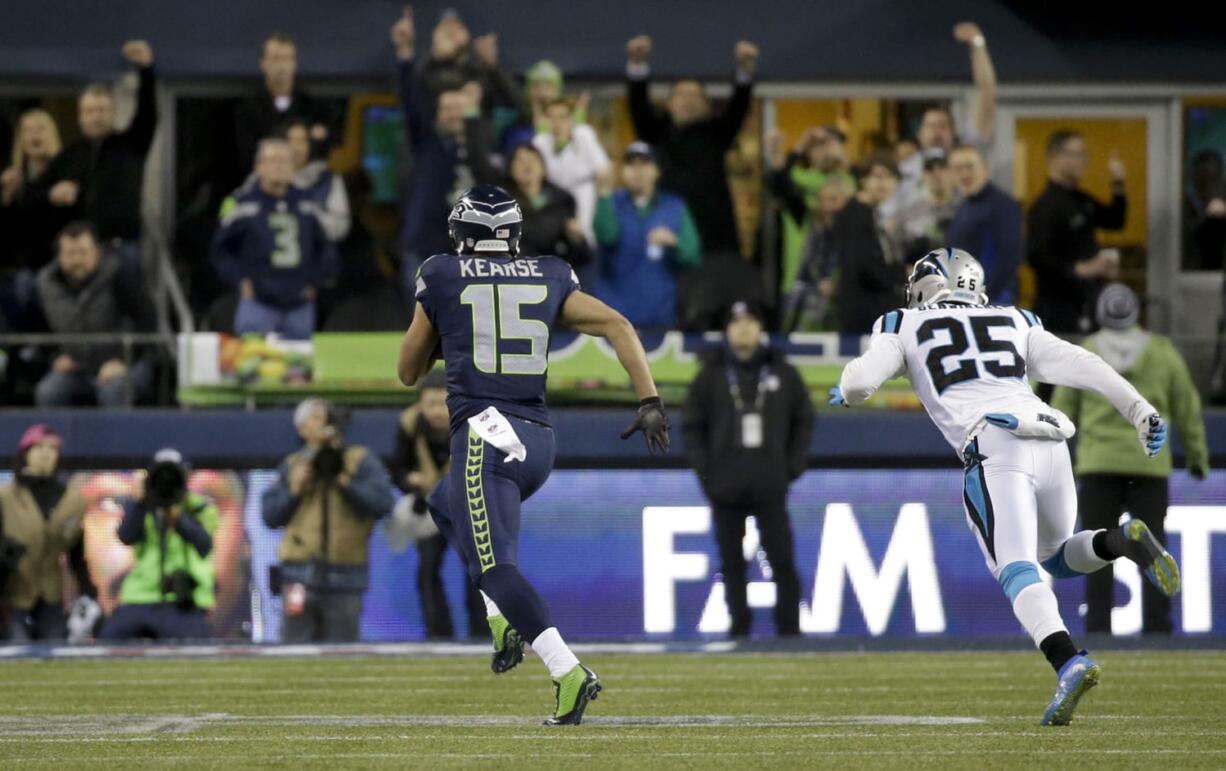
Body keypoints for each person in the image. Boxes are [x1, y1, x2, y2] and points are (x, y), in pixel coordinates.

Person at [830, 247, 1176, 726]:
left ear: (925, 286)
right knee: (1054, 557)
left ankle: (1068, 660)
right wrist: (1139, 410)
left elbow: (860, 383)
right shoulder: (1015, 317)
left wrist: (847, 388)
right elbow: (1082, 364)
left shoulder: (902, 322)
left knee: (1016, 569)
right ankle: (1122, 539)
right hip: (1051, 434)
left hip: (993, 440)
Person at [397, 185, 669, 725]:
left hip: (484, 433)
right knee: (445, 502)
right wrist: (650, 400)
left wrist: (442, 328)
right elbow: (618, 324)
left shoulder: (442, 273)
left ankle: (567, 670)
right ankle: (501, 616)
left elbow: (408, 372)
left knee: (497, 568)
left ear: (461, 234)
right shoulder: (549, 271)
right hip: (537, 439)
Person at [1052, 284, 1209, 635]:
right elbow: (1187, 409)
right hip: (1147, 465)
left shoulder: (1086, 351)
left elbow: (1061, 412)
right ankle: (1158, 627)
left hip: (1098, 464)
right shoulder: (1163, 352)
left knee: (1096, 553)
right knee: (1153, 550)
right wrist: (1198, 457)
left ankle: (1097, 628)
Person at [682, 301, 813, 637]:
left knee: (781, 560)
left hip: (770, 482)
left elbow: (804, 419)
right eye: (737, 322)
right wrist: (706, 472)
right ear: (726, 330)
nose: (744, 328)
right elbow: (692, 426)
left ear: (760, 329)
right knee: (732, 564)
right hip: (725, 485)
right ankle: (739, 629)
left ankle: (790, 631)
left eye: (751, 321)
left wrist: (792, 466)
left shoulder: (783, 371)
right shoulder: (710, 374)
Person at [261, 398, 393, 643]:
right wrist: (293, 489)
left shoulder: (359, 460)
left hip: (346, 575)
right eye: (316, 418)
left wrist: (344, 482)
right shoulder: (293, 465)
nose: (324, 424)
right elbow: (269, 516)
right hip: (299, 574)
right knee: (293, 652)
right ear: (301, 430)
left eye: (327, 418)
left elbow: (383, 504)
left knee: (342, 656)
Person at [625, 34, 757, 254]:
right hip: (667, 229)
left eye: (695, 96)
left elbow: (739, 107)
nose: (687, 100)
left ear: (707, 105)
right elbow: (638, 106)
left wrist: (745, 69)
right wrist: (638, 65)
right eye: (681, 95)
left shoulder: (717, 134)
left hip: (712, 235)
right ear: (668, 103)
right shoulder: (656, 133)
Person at [391, 7, 489, 299]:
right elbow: (411, 101)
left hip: (472, 252)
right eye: (445, 109)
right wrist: (406, 55)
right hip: (425, 249)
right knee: (421, 326)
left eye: (458, 109)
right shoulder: (428, 143)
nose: (451, 115)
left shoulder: (480, 149)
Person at [43, 41, 157, 264]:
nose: (95, 116)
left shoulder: (132, 144)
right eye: (89, 111)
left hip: (122, 249)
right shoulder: (70, 154)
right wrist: (52, 194)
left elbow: (148, 114)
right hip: (80, 253)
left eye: (102, 110)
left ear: (112, 113)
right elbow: (37, 191)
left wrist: (146, 70)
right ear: (80, 116)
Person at [392, 369, 486, 639]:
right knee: (427, 570)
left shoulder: (475, 423)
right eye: (429, 404)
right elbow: (397, 468)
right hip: (430, 509)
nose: (436, 411)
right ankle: (437, 634)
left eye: (442, 404)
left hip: (468, 510)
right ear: (420, 404)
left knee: (477, 574)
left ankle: (481, 634)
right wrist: (410, 480)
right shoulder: (409, 423)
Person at [210, 139, 335, 339]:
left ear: (294, 167)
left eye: (284, 161)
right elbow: (220, 251)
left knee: (298, 367)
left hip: (299, 304)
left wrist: (314, 281)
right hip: (258, 302)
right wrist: (240, 280)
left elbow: (325, 249)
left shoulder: (307, 203)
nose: (278, 166)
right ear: (258, 166)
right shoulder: (241, 204)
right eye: (272, 160)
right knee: (254, 365)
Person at [35, 222, 157, 407]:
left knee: (112, 391)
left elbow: (147, 323)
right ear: (59, 256)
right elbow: (37, 329)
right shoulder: (46, 285)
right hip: (78, 368)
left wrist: (123, 362)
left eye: (83, 252)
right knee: (49, 391)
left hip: (128, 362)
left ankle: (118, 437)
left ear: (97, 252)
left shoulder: (119, 274)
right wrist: (54, 358)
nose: (76, 260)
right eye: (70, 254)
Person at [100, 449, 219, 641]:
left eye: (173, 475)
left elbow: (204, 545)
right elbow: (126, 536)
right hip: (140, 596)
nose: (166, 482)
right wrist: (140, 502)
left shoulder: (199, 506)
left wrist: (178, 517)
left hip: (185, 599)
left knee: (201, 652)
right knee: (108, 644)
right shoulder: (141, 505)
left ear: (185, 476)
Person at [1027, 130, 1127, 335]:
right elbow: (1037, 257)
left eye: (1084, 154)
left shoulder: (1081, 200)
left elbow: (1115, 220)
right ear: (1055, 156)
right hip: (1058, 312)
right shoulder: (1044, 206)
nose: (1082, 161)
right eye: (1076, 154)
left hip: (1088, 305)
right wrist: (1079, 269)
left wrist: (1118, 184)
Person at [592, 142, 702, 329]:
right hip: (614, 317)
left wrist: (674, 242)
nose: (638, 171)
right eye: (631, 164)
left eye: (645, 164)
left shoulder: (674, 207)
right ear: (622, 171)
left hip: (659, 315)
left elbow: (693, 256)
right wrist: (603, 194)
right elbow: (605, 236)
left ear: (657, 171)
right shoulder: (611, 201)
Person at [0, 425, 86, 641]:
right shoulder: (6, 496)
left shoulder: (72, 499)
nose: (45, 453)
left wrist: (89, 595)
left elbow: (76, 552)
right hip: (12, 591)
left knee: (55, 653)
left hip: (51, 593)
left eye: (52, 448)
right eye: (38, 447)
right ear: (25, 453)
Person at [0, 109, 67, 330]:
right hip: (22, 264)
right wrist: (6, 197)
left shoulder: (64, 171)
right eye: (28, 130)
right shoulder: (13, 179)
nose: (34, 136)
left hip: (59, 262)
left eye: (40, 129)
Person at [766, 126, 854, 296]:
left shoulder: (852, 180)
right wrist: (799, 147)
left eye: (829, 144)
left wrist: (843, 159)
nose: (825, 151)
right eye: (817, 146)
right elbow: (779, 180)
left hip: (845, 283)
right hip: (803, 282)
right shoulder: (798, 182)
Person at [472, 142, 590, 267]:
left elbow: (581, 257)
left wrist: (577, 240)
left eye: (533, 159)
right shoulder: (497, 203)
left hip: (547, 274)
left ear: (544, 168)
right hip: (509, 272)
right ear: (510, 169)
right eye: (520, 160)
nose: (527, 164)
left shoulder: (562, 202)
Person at [234, 33, 334, 179]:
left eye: (286, 59)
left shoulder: (313, 107)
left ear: (294, 64)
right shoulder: (246, 109)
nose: (281, 66)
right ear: (263, 64)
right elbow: (244, 155)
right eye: (275, 59)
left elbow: (323, 151)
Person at [831, 152, 905, 336]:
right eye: (878, 176)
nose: (884, 183)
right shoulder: (855, 215)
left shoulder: (871, 214)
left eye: (890, 177)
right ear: (863, 179)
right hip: (862, 315)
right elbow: (864, 265)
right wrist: (901, 273)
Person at [945, 144, 1023, 305]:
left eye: (970, 167)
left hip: (992, 302)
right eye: (958, 169)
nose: (965, 174)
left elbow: (1009, 257)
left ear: (985, 169)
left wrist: (981, 296)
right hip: (965, 300)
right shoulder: (963, 207)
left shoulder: (1003, 205)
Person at [533, 97, 610, 245]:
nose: (557, 123)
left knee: (582, 234)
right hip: (553, 196)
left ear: (571, 120)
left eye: (562, 117)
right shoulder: (540, 141)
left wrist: (601, 200)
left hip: (582, 191)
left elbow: (604, 170)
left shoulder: (583, 134)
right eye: (551, 117)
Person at [782, 176, 852, 332]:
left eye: (833, 200)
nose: (826, 207)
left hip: (844, 318)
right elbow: (804, 273)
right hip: (809, 311)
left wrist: (838, 286)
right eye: (823, 200)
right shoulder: (813, 232)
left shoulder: (858, 235)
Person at [282, 118, 350, 243]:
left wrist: (307, 214)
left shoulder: (328, 178)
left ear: (310, 145)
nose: (295, 148)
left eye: (301, 141)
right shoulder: (262, 177)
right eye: (290, 141)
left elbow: (342, 227)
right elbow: (236, 206)